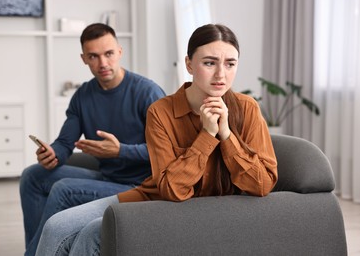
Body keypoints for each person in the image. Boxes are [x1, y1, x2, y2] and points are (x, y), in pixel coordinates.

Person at [35, 23, 278, 256]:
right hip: (154, 196)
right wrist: (206, 134)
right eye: (209, 63)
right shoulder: (161, 111)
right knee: (58, 225)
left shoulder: (247, 109)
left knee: (92, 233)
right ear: (189, 65)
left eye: (230, 63)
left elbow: (262, 183)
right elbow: (167, 187)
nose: (220, 74)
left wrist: (222, 134)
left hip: (193, 209)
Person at [20, 23, 166, 256]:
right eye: (93, 56)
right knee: (32, 176)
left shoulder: (147, 92)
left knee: (64, 188)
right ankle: (36, 250)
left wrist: (120, 151)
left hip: (140, 185)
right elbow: (65, 143)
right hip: (107, 177)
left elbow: (167, 152)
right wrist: (52, 153)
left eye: (108, 54)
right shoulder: (83, 96)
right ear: (83, 58)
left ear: (119, 51)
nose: (103, 63)